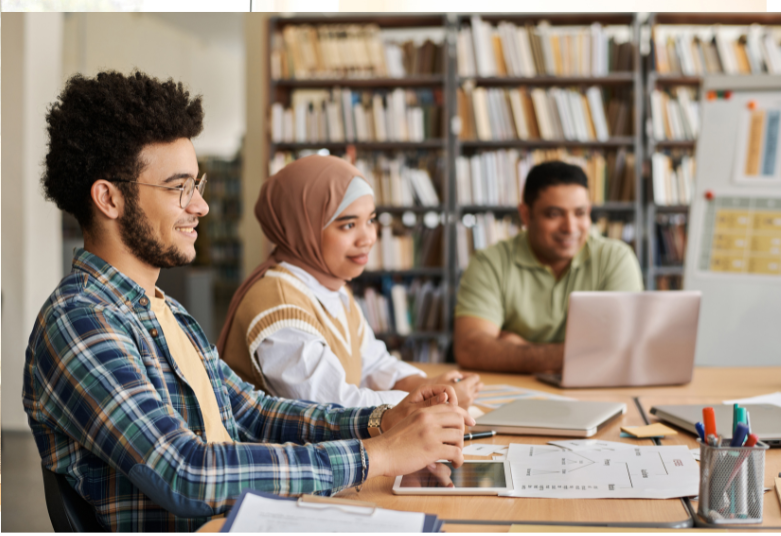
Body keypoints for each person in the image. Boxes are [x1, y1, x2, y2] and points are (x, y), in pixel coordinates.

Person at [23, 70, 474, 532]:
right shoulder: (79, 322)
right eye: (179, 188)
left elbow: (252, 414)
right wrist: (376, 455)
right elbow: (187, 473)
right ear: (109, 199)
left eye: (196, 185)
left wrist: (383, 420)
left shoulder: (166, 311)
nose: (200, 206)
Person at [217, 155, 482, 409]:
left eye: (371, 220)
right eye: (348, 225)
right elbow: (336, 408)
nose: (368, 238)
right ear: (303, 228)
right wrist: (429, 400)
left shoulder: (333, 289)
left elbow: (375, 365)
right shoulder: (278, 306)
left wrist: (430, 386)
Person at [453, 160, 644, 374]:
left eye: (580, 213)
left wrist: (519, 348)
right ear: (526, 215)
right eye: (554, 214)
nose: (570, 227)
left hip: (593, 388)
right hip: (515, 391)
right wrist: (584, 354)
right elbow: (470, 348)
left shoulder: (616, 259)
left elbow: (624, 350)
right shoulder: (490, 263)